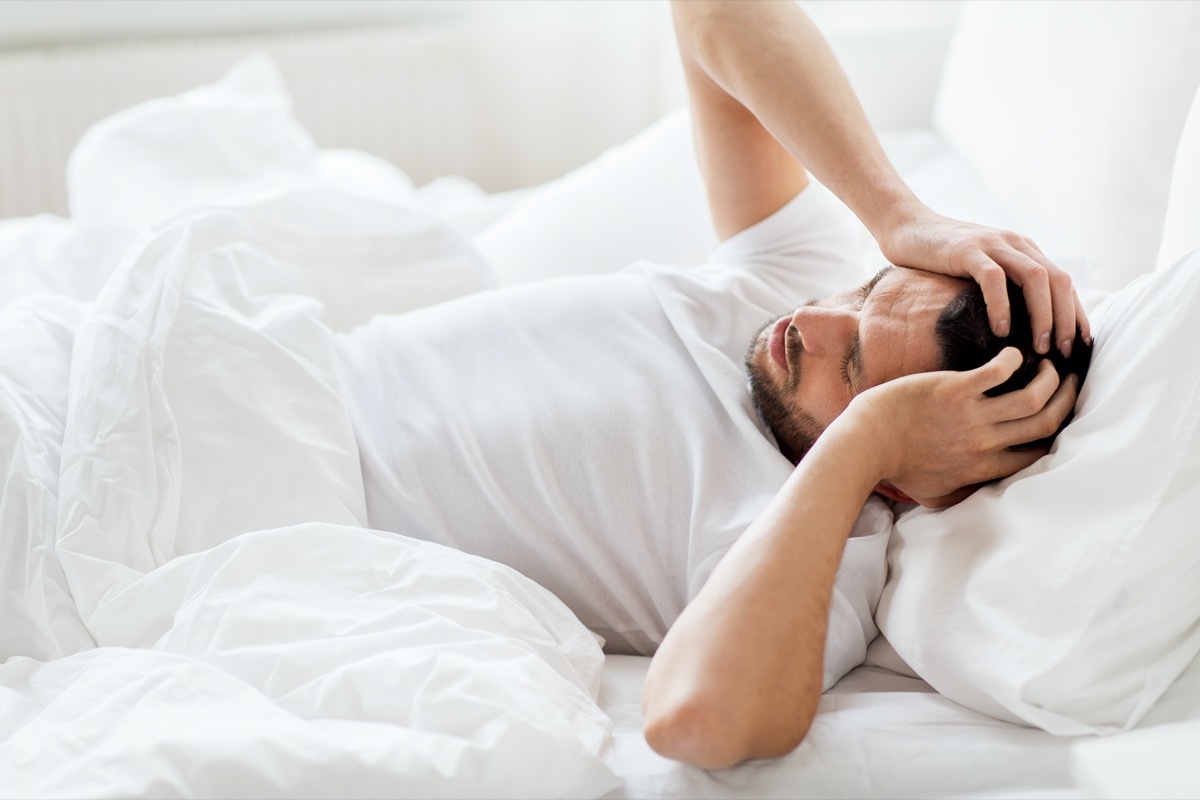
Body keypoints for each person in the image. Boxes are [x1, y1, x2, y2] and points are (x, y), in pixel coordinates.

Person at [331, 0, 1090, 769]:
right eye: (862, 293)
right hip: (278, 359)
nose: (815, 323)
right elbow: (714, 11)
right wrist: (898, 215)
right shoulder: (784, 282)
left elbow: (696, 724)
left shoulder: (812, 550)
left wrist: (864, 445)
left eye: (856, 367)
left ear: (917, 457)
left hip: (284, 482)